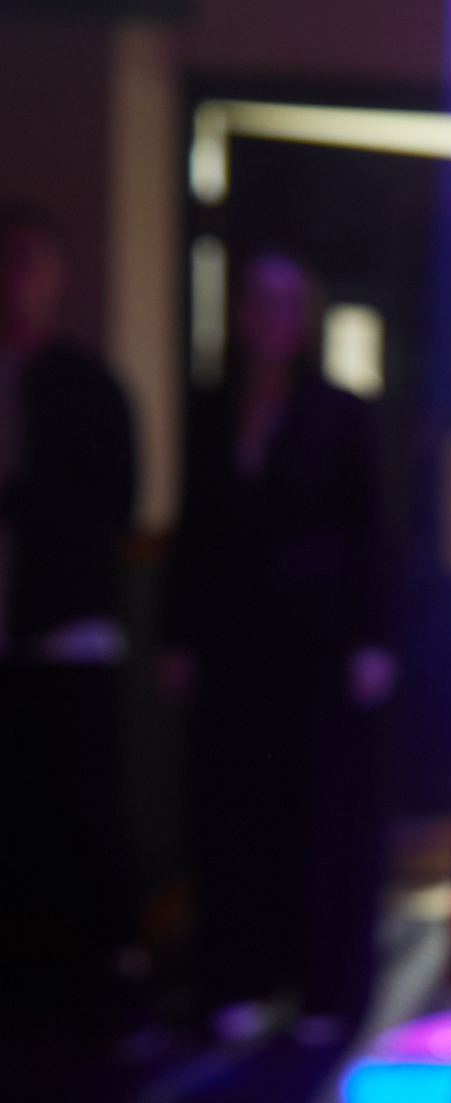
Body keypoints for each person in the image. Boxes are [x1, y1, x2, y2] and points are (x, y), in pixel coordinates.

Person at [163, 252, 395, 1043]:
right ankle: (239, 976)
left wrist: (373, 638)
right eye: (259, 302)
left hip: (317, 640)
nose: (272, 317)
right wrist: (178, 634)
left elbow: (369, 528)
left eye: (288, 303)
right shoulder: (211, 407)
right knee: (233, 806)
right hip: (235, 640)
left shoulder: (340, 411)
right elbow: (195, 526)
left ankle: (322, 986)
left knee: (317, 810)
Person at [0, 206, 137, 1029]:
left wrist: (29, 505)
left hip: (67, 630)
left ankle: (108, 986)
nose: (15, 279)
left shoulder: (86, 388)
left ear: (57, 277)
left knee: (80, 811)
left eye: (29, 261)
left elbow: (114, 505)